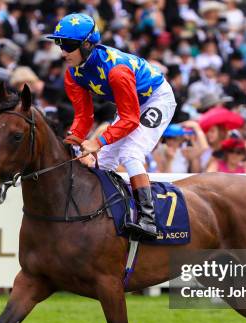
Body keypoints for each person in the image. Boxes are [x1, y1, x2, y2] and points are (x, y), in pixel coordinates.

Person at [47, 13, 177, 239]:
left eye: (68, 45)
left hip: (156, 98)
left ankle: (148, 218)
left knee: (131, 153)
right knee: (104, 161)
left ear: (87, 44)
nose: (63, 51)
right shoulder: (72, 73)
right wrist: (71, 142)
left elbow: (130, 119)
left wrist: (97, 141)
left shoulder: (117, 71)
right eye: (60, 44)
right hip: (131, 105)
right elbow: (84, 117)